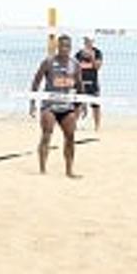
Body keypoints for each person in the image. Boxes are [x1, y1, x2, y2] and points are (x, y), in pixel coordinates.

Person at [30, 33, 84, 177]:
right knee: (47, 134)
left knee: (70, 137)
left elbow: (80, 86)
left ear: (70, 48)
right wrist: (32, 103)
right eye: (62, 46)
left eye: (67, 46)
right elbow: (36, 82)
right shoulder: (48, 62)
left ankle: (69, 170)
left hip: (67, 106)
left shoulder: (75, 65)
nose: (64, 49)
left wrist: (81, 105)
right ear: (57, 47)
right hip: (50, 105)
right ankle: (42, 169)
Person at [75, 35, 103, 130]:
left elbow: (97, 67)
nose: (87, 42)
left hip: (93, 83)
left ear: (92, 41)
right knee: (77, 105)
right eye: (86, 40)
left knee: (95, 105)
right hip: (81, 83)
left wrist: (91, 57)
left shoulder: (97, 53)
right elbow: (75, 68)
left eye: (89, 40)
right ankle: (74, 125)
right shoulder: (79, 54)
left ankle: (97, 127)